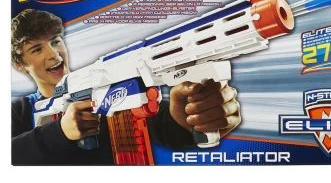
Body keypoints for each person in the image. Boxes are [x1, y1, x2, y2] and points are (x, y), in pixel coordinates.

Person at [11, 9, 241, 165]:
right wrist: (59, 132)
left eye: (55, 41)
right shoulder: (17, 112)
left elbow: (151, 122)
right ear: (20, 65)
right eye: (37, 49)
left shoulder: (103, 82)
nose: (54, 54)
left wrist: (183, 120)